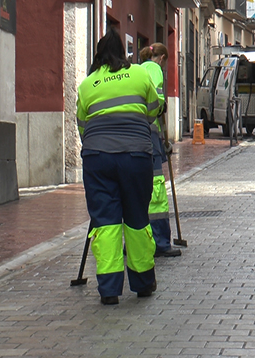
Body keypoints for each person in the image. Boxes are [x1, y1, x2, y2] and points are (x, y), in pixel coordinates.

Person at [76, 28, 162, 305]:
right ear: (124, 53)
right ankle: (143, 283)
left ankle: (110, 290)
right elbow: (153, 110)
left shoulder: (88, 85)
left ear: (99, 56)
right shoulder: (139, 74)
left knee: (106, 221)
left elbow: (82, 126)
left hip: (97, 158)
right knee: (137, 218)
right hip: (135, 156)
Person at [139, 43, 181, 258]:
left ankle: (137, 241)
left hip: (134, 136)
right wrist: (162, 105)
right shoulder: (154, 69)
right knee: (156, 190)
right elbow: (156, 100)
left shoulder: (136, 70)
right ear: (162, 57)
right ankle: (160, 242)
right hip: (149, 134)